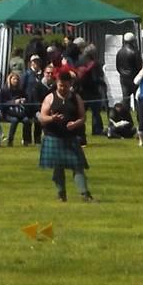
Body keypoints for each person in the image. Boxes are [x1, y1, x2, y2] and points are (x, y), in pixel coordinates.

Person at [38, 70, 94, 202]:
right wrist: (52, 118)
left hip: (71, 137)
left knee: (78, 166)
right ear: (57, 83)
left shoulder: (76, 98)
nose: (62, 88)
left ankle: (85, 194)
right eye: (60, 85)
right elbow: (42, 118)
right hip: (53, 137)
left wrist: (75, 124)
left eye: (65, 85)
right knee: (58, 167)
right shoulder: (50, 98)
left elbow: (83, 117)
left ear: (70, 84)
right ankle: (61, 194)